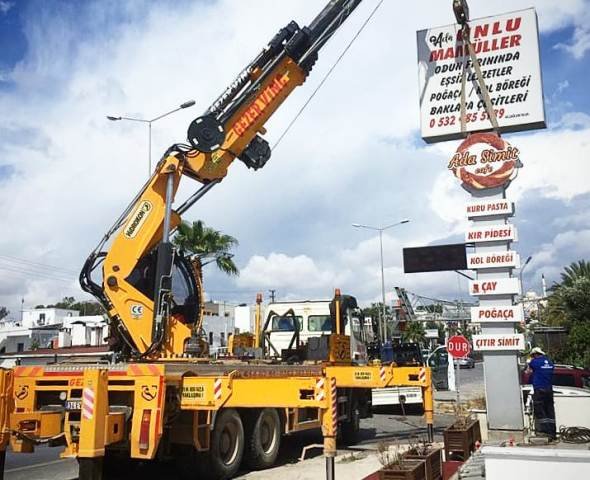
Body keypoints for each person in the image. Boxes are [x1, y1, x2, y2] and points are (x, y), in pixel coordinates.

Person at [526, 347, 556, 440]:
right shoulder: (550, 362)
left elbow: (527, 372)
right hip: (549, 389)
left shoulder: (534, 362)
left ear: (535, 354)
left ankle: (544, 431)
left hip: (539, 389)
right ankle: (552, 432)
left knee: (540, 410)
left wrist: (528, 362)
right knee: (549, 410)